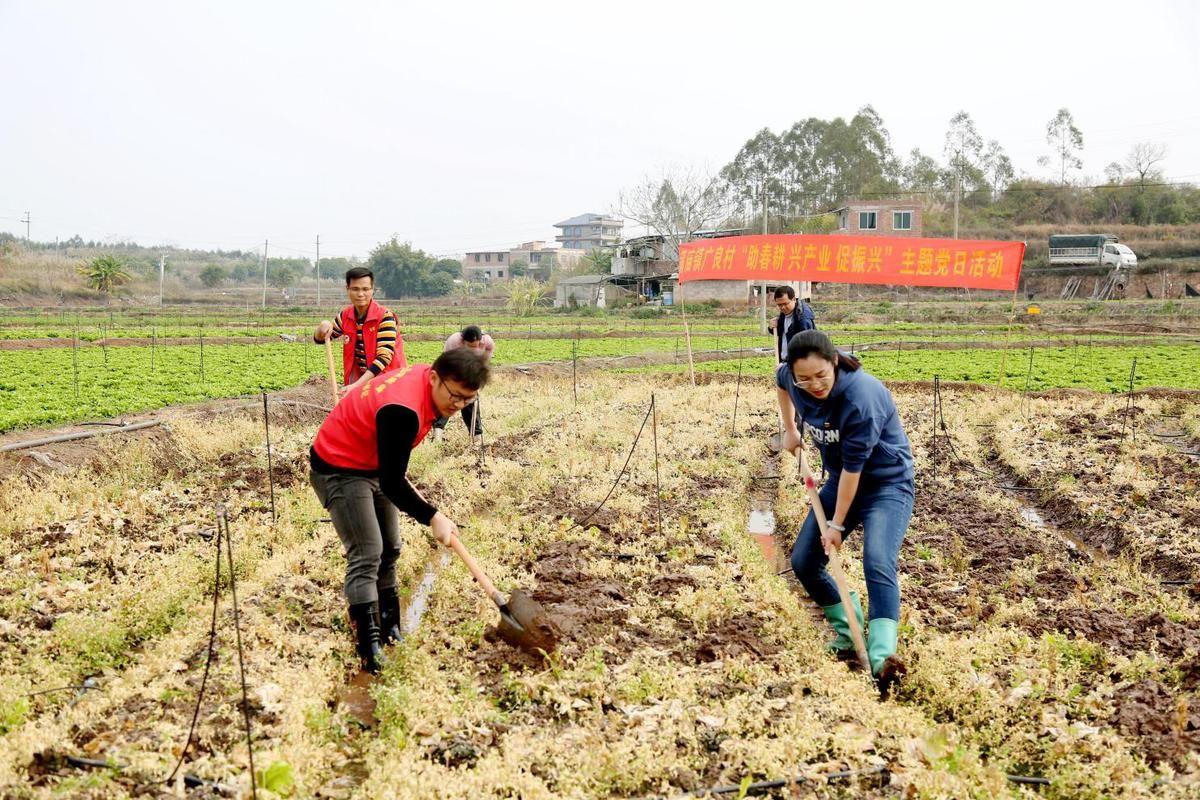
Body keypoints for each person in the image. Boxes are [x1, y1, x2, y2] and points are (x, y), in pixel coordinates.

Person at [309, 348, 489, 673]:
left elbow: (391, 474)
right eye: (456, 396)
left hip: (372, 463)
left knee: (391, 547)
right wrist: (433, 516)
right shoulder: (402, 410)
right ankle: (369, 647)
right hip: (339, 466)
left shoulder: (430, 381)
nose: (458, 406)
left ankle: (391, 627)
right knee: (368, 552)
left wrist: (429, 512)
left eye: (467, 400)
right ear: (434, 377)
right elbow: (393, 482)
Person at [777, 330, 914, 696]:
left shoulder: (860, 398)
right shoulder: (791, 377)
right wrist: (789, 429)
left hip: (885, 483)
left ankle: (882, 657)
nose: (813, 384)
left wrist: (836, 524)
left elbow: (856, 471)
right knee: (805, 561)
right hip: (841, 479)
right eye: (803, 378)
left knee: (877, 561)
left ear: (834, 361)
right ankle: (847, 627)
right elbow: (780, 384)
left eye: (821, 375)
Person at [313, 267, 407, 395]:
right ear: (348, 289)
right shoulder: (345, 316)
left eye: (365, 289)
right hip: (362, 385)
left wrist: (357, 385)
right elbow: (322, 339)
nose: (360, 294)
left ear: (372, 290)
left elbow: (384, 357)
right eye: (355, 289)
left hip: (389, 384)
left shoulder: (385, 317)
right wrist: (321, 328)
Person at [432, 325, 494, 442]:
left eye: (475, 346)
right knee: (449, 401)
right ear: (463, 341)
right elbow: (446, 362)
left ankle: (476, 437)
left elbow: (485, 361)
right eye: (469, 346)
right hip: (454, 373)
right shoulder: (454, 341)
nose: (473, 350)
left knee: (470, 402)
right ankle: (437, 434)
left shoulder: (487, 342)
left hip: (472, 374)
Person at [766, 285, 815, 363]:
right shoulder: (785, 313)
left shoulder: (803, 319)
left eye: (785, 303)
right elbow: (782, 332)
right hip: (784, 361)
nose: (782, 307)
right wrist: (771, 327)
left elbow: (806, 348)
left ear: (794, 299)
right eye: (779, 305)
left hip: (798, 364)